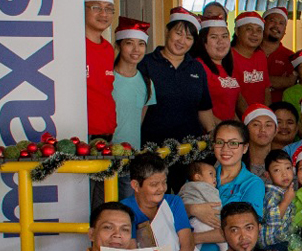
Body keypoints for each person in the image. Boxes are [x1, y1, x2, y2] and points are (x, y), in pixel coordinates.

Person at [141, 11, 214, 144]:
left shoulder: (197, 67)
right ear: (167, 31)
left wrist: (212, 133)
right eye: (178, 33)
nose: (182, 41)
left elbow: (204, 108)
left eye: (189, 37)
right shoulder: (146, 64)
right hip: (153, 148)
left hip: (190, 147)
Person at [123, 154, 199, 251]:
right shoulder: (125, 209)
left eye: (164, 182)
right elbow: (131, 250)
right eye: (154, 184)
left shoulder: (174, 202)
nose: (161, 188)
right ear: (135, 185)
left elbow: (187, 243)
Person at [112, 18, 155, 148]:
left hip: (133, 153)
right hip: (105, 153)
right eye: (129, 43)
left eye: (141, 44)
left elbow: (139, 121)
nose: (136, 49)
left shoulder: (147, 83)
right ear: (119, 45)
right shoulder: (107, 78)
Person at [194, 14, 245, 122]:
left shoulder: (229, 67)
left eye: (224, 36)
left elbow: (230, 109)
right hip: (211, 132)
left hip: (229, 133)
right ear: (204, 42)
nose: (220, 41)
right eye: (214, 37)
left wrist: (240, 130)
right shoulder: (198, 67)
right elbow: (198, 109)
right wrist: (225, 129)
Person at [86, 0, 117, 141]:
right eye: (96, 7)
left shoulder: (108, 49)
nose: (104, 14)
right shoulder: (74, 46)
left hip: (106, 133)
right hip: (81, 135)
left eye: (109, 9)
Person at [231, 12, 274, 108]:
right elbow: (237, 95)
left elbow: (266, 89)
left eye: (259, 30)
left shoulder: (261, 56)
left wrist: (267, 113)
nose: (254, 34)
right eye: (249, 29)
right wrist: (249, 117)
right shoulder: (229, 57)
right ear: (237, 31)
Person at [259, 7, 298, 98]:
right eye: (272, 20)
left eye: (281, 23)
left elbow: (291, 82)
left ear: (284, 31)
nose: (276, 26)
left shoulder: (291, 57)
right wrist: (282, 81)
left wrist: (254, 78)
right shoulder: (248, 51)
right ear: (262, 24)